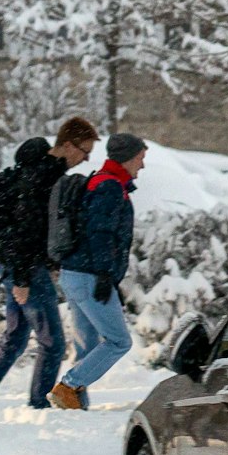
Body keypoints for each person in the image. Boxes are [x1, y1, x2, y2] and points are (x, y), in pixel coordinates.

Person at [0, 117, 98, 410]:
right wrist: (23, 279)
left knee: (14, 338)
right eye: (83, 150)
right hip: (25, 268)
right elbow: (25, 231)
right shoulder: (43, 177)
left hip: (19, 265)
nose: (86, 157)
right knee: (53, 343)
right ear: (66, 144)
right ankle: (40, 403)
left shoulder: (40, 172)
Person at [51, 133, 145, 410]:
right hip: (89, 275)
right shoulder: (109, 187)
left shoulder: (102, 181)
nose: (142, 166)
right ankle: (69, 386)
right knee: (118, 341)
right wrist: (105, 275)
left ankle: (75, 405)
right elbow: (100, 233)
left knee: (87, 346)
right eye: (140, 159)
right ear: (127, 158)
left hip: (76, 274)